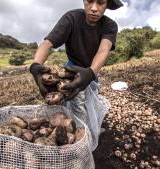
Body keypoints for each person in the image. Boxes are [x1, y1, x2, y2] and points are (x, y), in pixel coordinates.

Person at [30, 0, 123, 142]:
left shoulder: (109, 26)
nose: (93, 8)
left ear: (107, 5)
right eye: (89, 1)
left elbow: (103, 50)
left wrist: (91, 73)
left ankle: (93, 128)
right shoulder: (71, 18)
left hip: (91, 69)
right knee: (76, 104)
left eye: (100, 3)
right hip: (71, 69)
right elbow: (48, 43)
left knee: (93, 99)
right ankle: (81, 137)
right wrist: (35, 65)